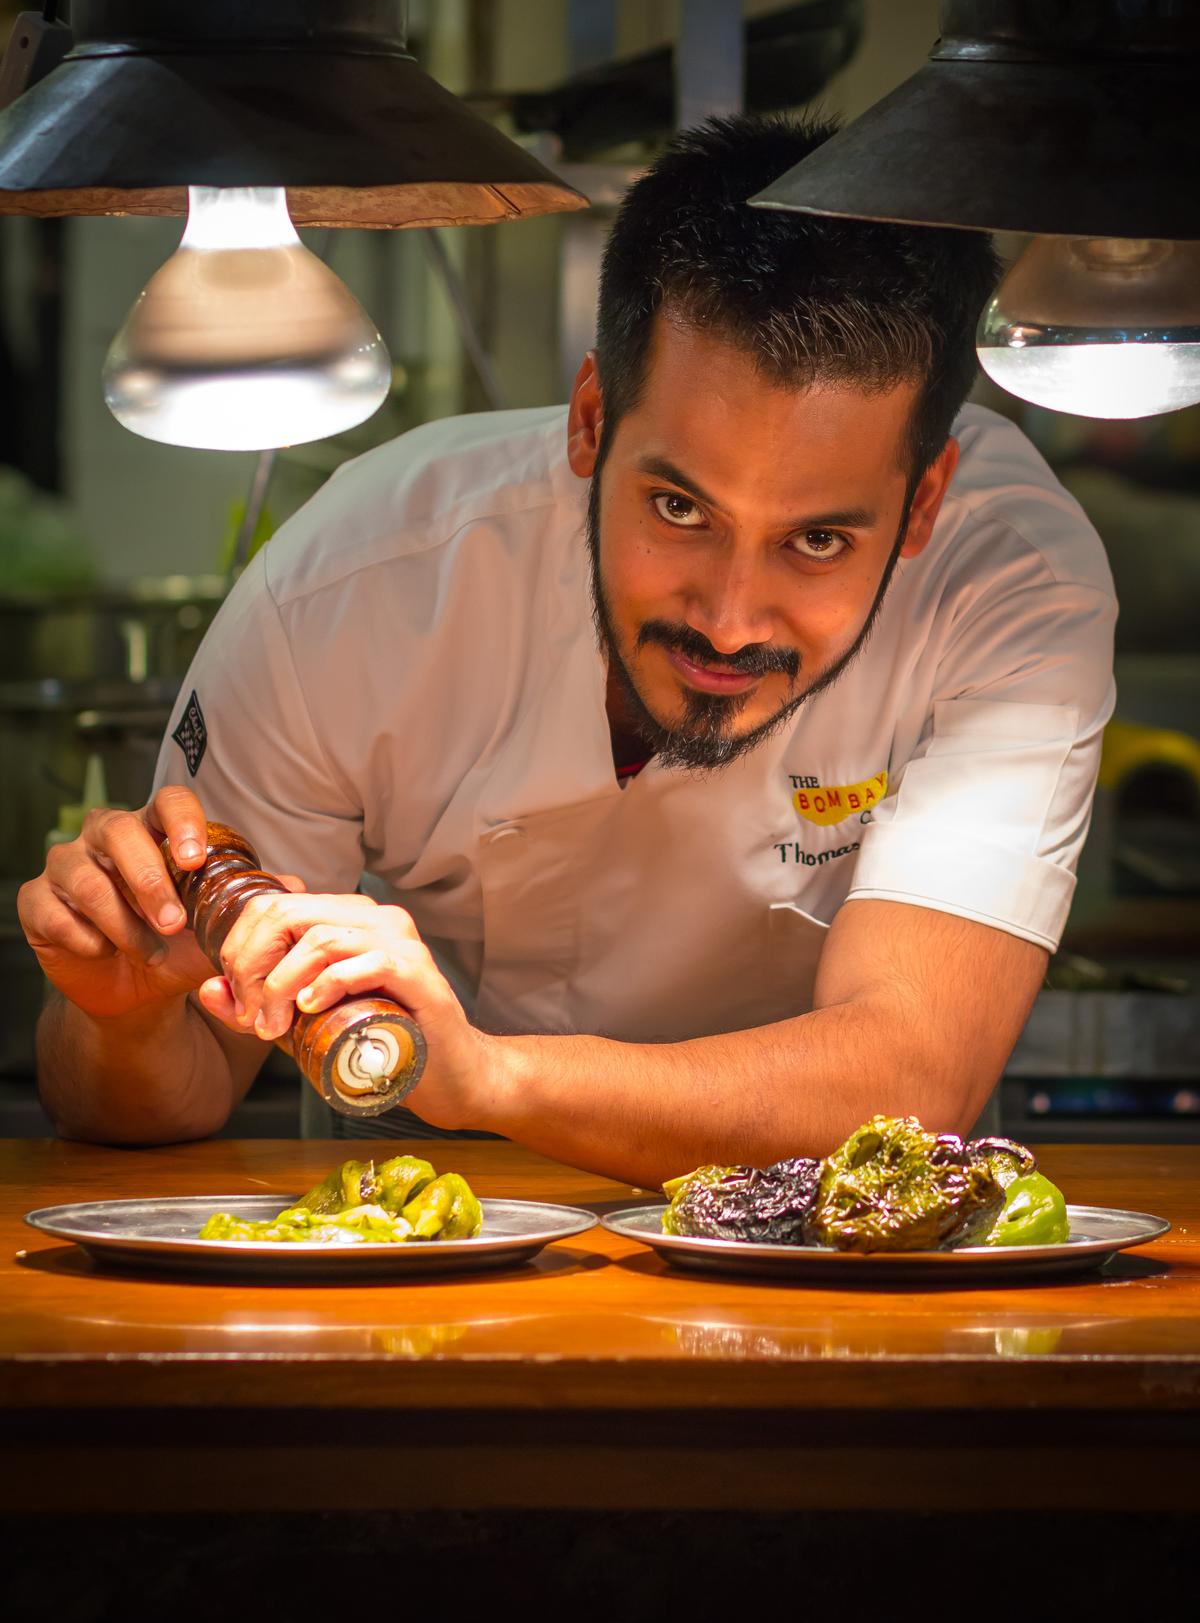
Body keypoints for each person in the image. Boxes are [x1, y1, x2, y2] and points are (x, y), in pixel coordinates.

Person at [21, 117, 1116, 1187]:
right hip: (418, 1256)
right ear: (590, 419)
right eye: (679, 506)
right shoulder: (353, 589)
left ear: (922, 503)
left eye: (817, 540)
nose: (731, 618)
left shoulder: (1009, 579)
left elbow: (913, 1072)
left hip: (822, 1257)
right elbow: (174, 1085)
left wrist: (490, 1078)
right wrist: (121, 1016)